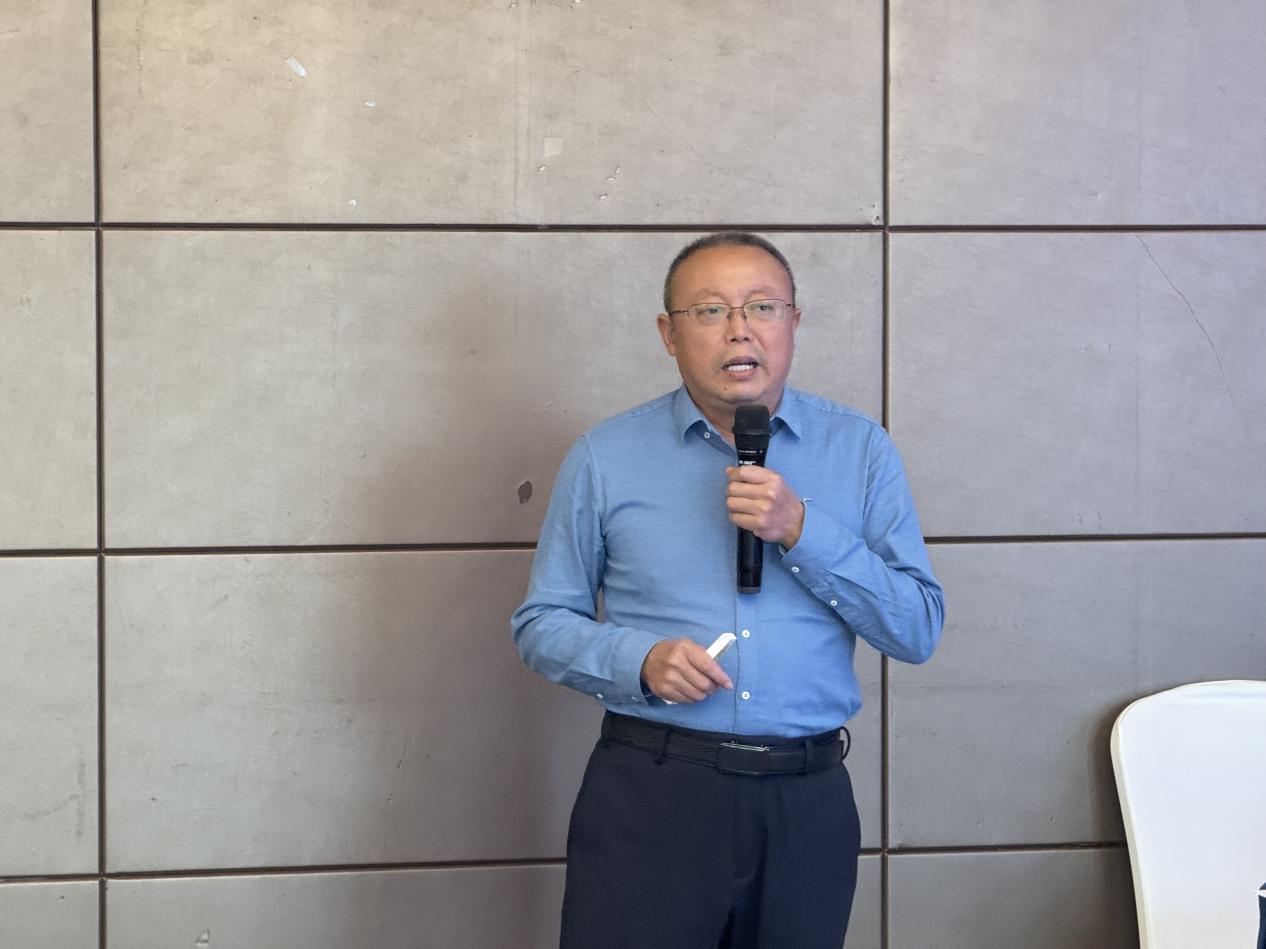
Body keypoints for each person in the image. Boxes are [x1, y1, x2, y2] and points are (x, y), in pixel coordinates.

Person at [511, 232, 944, 949]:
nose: (739, 328)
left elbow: (916, 628)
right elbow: (541, 622)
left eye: (762, 307)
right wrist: (637, 659)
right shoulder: (605, 456)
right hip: (653, 793)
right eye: (710, 310)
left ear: (793, 323)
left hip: (806, 802)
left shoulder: (861, 450)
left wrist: (802, 529)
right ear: (669, 334)